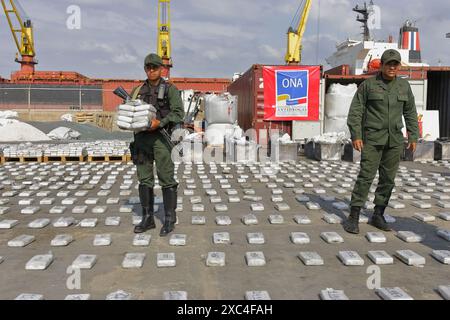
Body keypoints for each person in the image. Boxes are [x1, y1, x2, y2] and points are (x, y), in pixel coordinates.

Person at [344, 49, 419, 234]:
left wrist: (413, 135)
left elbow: (410, 112)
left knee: (388, 180)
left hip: (394, 141)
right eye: (389, 64)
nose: (392, 67)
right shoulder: (369, 85)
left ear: (399, 66)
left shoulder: (404, 87)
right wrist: (356, 135)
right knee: (366, 177)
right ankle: (353, 216)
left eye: (396, 64)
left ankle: (378, 214)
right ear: (382, 65)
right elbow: (356, 112)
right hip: (372, 140)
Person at [130, 53, 184, 236]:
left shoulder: (170, 89)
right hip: (142, 140)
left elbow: (178, 113)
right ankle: (147, 218)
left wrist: (160, 123)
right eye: (148, 67)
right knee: (144, 179)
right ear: (145, 69)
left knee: (166, 179)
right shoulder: (137, 91)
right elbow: (130, 112)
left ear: (161, 69)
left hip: (161, 139)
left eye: (155, 67)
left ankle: (169, 219)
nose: (152, 70)